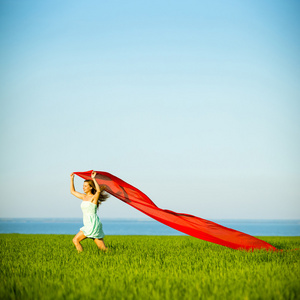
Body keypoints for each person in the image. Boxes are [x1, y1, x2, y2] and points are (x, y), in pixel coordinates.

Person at [70, 171, 109, 252]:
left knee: (75, 240)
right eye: (83, 186)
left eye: (85, 186)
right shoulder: (84, 197)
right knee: (103, 249)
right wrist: (72, 179)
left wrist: (93, 179)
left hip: (92, 224)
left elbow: (98, 191)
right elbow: (72, 192)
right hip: (88, 224)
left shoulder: (93, 198)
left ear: (91, 187)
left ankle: (81, 256)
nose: (83, 188)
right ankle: (113, 256)